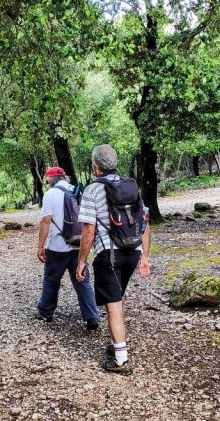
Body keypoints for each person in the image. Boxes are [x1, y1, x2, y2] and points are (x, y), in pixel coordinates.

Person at [75, 145, 152, 374]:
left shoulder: (92, 190)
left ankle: (120, 359)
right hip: (132, 251)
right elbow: (145, 221)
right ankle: (118, 346)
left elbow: (89, 230)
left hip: (108, 254)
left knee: (113, 306)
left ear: (95, 167)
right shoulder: (130, 186)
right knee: (116, 300)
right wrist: (145, 255)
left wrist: (81, 261)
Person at [35, 166, 101, 330]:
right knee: (82, 279)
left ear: (50, 180)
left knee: (51, 279)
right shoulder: (78, 190)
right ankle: (92, 316)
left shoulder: (50, 194)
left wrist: (40, 245)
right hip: (79, 244)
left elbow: (45, 221)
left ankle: (45, 311)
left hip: (57, 246)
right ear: (65, 178)